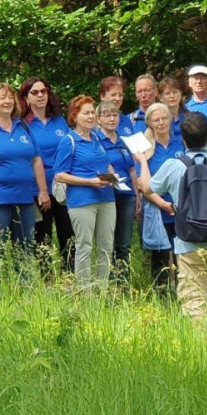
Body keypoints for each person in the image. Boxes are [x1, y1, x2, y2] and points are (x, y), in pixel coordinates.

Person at [143, 112, 207, 317]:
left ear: (182, 139)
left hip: (187, 240)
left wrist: (142, 160)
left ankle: (199, 341)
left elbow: (148, 189)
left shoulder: (173, 166)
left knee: (193, 296)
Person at [0, 83, 51, 275]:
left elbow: (36, 160)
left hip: (24, 198)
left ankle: (26, 287)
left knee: (26, 244)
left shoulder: (24, 128)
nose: (7, 101)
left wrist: (43, 191)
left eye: (10, 97)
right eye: (1, 98)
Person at [54, 96, 117, 291]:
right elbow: (60, 175)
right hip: (82, 201)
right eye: (86, 113)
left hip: (106, 198)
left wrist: (112, 174)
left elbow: (104, 163)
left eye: (92, 113)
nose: (91, 116)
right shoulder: (69, 140)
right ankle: (85, 293)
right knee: (85, 247)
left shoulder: (97, 137)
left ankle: (102, 291)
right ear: (75, 116)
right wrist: (89, 182)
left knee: (106, 247)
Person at [19, 77, 74, 273]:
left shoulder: (58, 120)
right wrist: (41, 190)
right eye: (35, 92)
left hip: (62, 185)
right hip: (36, 188)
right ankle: (47, 279)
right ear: (26, 97)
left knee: (68, 233)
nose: (40, 95)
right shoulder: (22, 124)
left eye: (44, 91)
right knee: (42, 236)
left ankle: (69, 277)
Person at [135, 102, 183, 288]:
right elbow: (142, 183)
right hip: (157, 209)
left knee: (181, 255)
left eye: (164, 118)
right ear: (149, 123)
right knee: (160, 257)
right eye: (156, 120)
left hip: (180, 208)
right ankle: (161, 295)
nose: (161, 123)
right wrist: (163, 204)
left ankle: (183, 291)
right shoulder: (143, 148)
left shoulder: (181, 142)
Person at [95, 100, 140, 283]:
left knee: (124, 242)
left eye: (115, 115)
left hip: (127, 195)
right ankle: (107, 280)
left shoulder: (124, 140)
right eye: (107, 115)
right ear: (98, 119)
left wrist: (137, 195)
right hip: (107, 195)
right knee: (108, 241)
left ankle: (123, 281)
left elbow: (131, 169)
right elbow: (95, 167)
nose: (112, 119)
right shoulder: (96, 139)